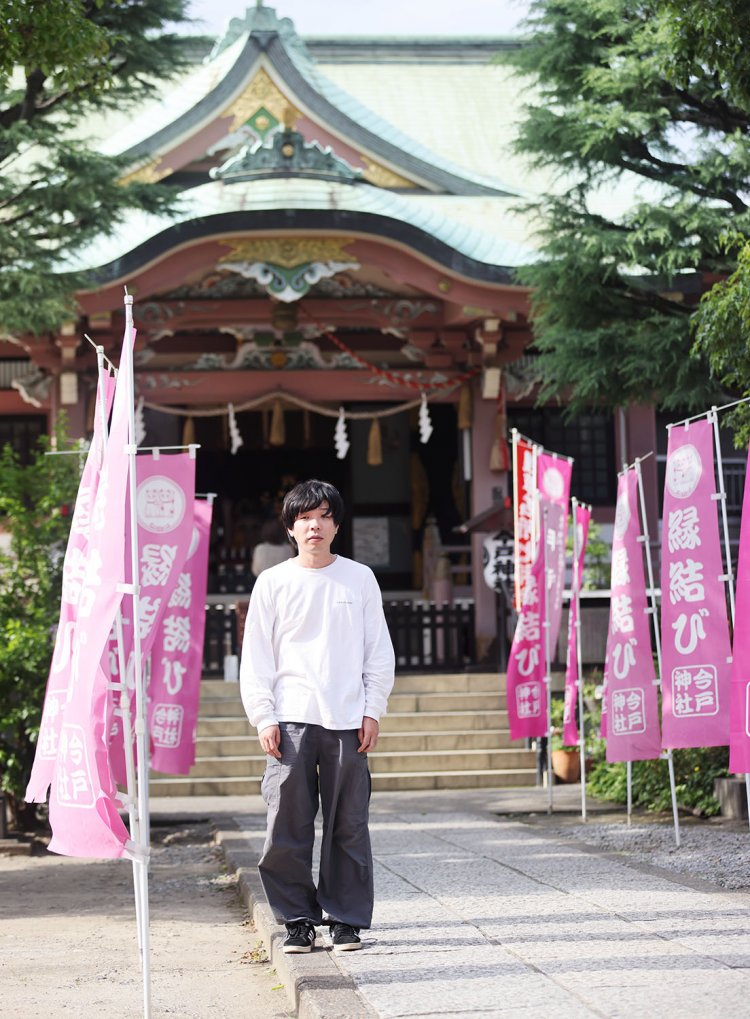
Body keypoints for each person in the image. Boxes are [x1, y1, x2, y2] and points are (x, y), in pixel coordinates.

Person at [239, 479, 395, 954]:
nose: (315, 525)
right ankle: (298, 921)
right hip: (290, 720)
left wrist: (372, 708)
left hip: (348, 718)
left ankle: (345, 919)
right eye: (305, 518)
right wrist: (263, 717)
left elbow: (378, 650)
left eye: (324, 516)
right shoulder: (273, 582)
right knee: (287, 824)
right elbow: (257, 657)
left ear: (336, 525)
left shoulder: (359, 578)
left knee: (348, 822)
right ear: (290, 527)